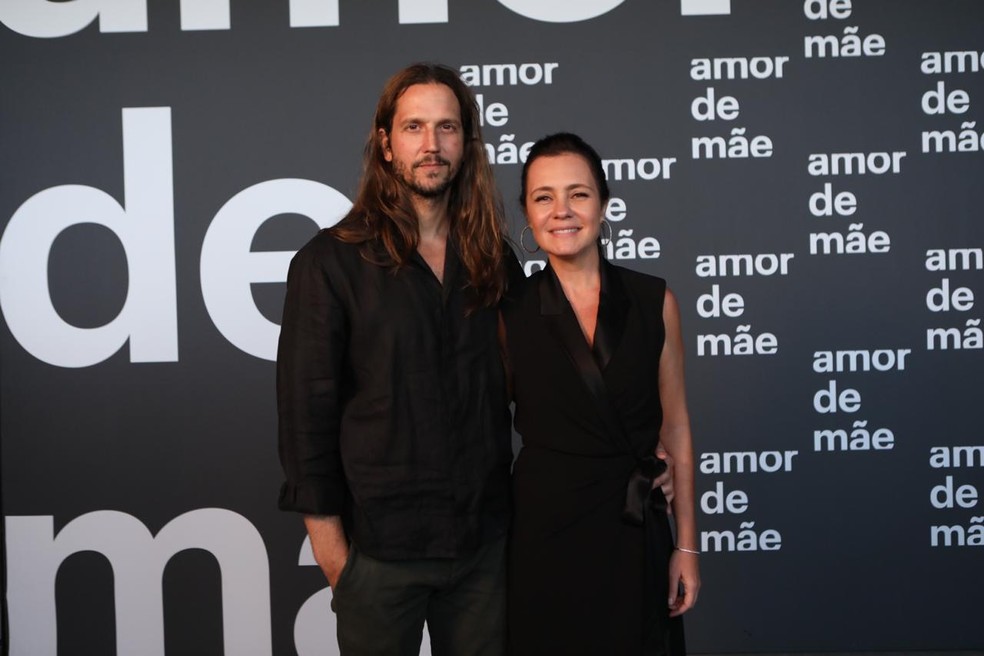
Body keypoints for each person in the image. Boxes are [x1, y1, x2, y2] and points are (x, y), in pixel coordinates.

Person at [277, 63, 519, 656]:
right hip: (380, 556)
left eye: (447, 128)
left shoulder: (494, 260)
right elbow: (305, 419)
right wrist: (339, 563)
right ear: (385, 143)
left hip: (484, 552)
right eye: (414, 127)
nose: (431, 146)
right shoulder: (329, 263)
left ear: (466, 143)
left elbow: (537, 387)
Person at [503, 133, 700, 655]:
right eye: (544, 196)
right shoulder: (508, 312)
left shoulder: (654, 301)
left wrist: (685, 545)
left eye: (579, 194)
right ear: (526, 211)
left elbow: (676, 426)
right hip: (543, 533)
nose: (561, 211)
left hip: (635, 529)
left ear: (605, 205)